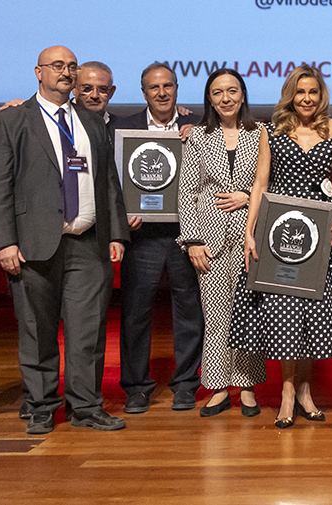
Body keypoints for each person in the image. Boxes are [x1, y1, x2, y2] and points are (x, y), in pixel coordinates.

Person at [0, 45, 129, 434]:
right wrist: (4, 242)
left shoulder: (91, 121)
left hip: (88, 243)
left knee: (88, 331)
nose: (66, 72)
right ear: (38, 72)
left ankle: (86, 407)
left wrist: (116, 231)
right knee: (37, 329)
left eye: (72, 66)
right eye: (58, 65)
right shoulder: (12, 120)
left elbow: (108, 181)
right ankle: (41, 405)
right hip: (33, 244)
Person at [231, 64, 332, 427]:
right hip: (281, 233)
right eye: (300, 92)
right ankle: (288, 393)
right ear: (290, 95)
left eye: (312, 92)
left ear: (321, 95)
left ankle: (305, 391)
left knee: (312, 314)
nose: (306, 98)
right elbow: (261, 183)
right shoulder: (273, 131)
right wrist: (250, 231)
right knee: (285, 315)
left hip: (323, 234)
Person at [111, 63, 203, 414]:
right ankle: (136, 388)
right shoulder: (123, 128)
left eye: (168, 86)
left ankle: (186, 384)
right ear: (143, 92)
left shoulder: (197, 127)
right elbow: (111, 181)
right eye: (154, 87)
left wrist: (197, 134)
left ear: (177, 88)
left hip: (186, 235)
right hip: (141, 236)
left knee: (190, 312)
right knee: (135, 314)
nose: (162, 93)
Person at [177, 68, 266, 417]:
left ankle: (247, 386)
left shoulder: (261, 133)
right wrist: (192, 241)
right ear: (209, 99)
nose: (225, 98)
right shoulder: (198, 136)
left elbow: (272, 184)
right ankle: (217, 387)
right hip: (208, 241)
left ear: (242, 95)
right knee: (214, 316)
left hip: (250, 238)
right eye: (217, 92)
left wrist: (248, 196)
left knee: (248, 314)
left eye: (232, 91)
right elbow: (187, 192)